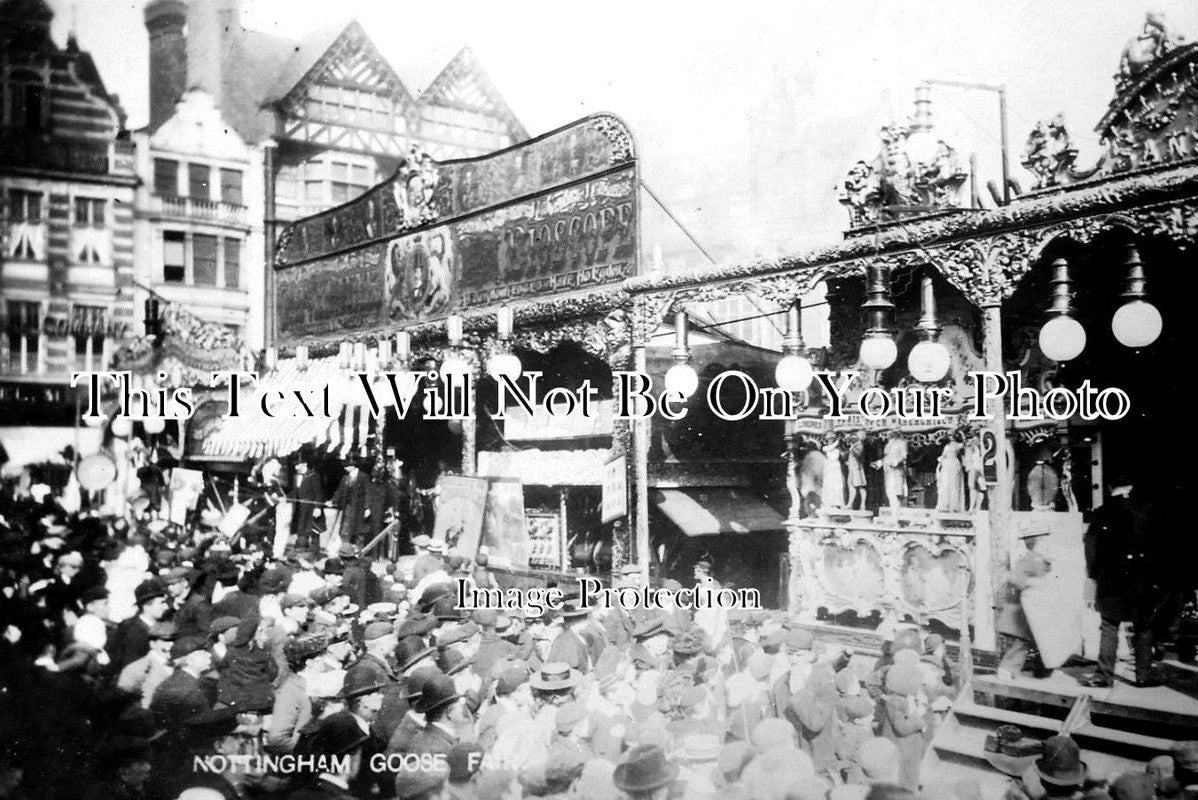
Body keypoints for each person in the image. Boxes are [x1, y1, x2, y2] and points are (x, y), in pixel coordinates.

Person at [1081, 471, 1161, 688]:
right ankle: (1143, 675)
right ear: (1131, 487)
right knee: (1144, 626)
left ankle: (1103, 676)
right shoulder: (1144, 511)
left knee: (1109, 626)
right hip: (1141, 579)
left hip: (1110, 579)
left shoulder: (1100, 513)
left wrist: (1093, 576)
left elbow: (1091, 548)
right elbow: (1156, 547)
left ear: (1109, 488)